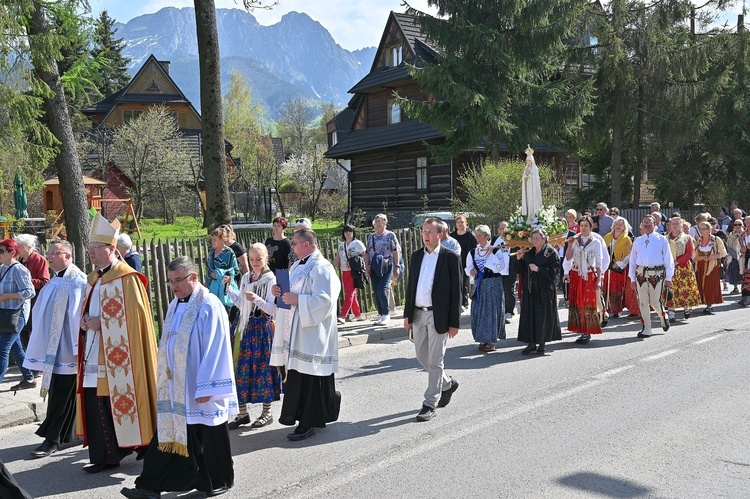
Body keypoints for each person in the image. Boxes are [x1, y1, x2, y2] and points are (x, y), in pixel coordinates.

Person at [121, 256, 237, 499]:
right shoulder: (175, 303)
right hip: (176, 386)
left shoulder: (209, 305)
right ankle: (149, 486)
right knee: (170, 435)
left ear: (193, 277)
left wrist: (207, 387)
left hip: (200, 386)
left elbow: (216, 348)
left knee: (210, 434)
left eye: (178, 280)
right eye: (170, 281)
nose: (174, 286)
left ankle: (220, 480)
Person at [76, 214, 158, 474]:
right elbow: (85, 309)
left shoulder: (127, 278)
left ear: (111, 249)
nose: (91, 253)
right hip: (93, 353)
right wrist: (85, 321)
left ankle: (135, 445)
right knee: (95, 402)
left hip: (121, 357)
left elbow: (135, 321)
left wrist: (104, 324)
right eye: (89, 249)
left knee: (117, 402)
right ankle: (105, 456)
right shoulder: (93, 279)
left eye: (96, 248)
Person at [270, 228, 341, 441]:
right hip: (297, 332)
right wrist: (279, 292)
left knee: (309, 379)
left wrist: (298, 299)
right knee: (299, 377)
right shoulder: (299, 266)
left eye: (294, 243)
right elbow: (291, 291)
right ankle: (303, 417)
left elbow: (326, 301)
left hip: (311, 335)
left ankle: (308, 422)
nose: (291, 247)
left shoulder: (321, 268)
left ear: (306, 245)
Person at [22, 238, 87, 458]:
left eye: (54, 253)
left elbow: (77, 317)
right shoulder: (56, 280)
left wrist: (77, 349)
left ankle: (53, 439)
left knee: (62, 392)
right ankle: (66, 435)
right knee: (60, 392)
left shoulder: (77, 281)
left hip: (68, 349)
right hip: (54, 347)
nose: (48, 256)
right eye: (48, 252)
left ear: (67, 256)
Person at [403, 218, 461, 422]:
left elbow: (457, 291)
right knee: (421, 356)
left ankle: (429, 403)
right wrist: (407, 314)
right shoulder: (416, 256)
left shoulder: (450, 257)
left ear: (440, 234)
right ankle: (447, 384)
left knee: (435, 361)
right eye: (423, 231)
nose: (426, 235)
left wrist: (455, 322)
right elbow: (411, 286)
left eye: (430, 232)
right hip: (418, 313)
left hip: (439, 315)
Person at [226, 243, 280, 430]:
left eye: (258, 258)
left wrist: (256, 299)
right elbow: (242, 304)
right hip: (245, 327)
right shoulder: (247, 277)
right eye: (251, 259)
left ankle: (267, 412)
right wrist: (229, 289)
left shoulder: (270, 279)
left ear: (266, 258)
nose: (255, 262)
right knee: (240, 369)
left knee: (263, 370)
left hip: (261, 328)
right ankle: (242, 414)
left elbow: (272, 309)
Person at [515, 229, 561, 355]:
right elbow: (522, 271)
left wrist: (539, 269)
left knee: (542, 316)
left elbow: (555, 273)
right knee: (530, 316)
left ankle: (542, 344)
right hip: (530, 289)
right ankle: (531, 343)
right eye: (533, 238)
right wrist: (519, 259)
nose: (534, 240)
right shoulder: (530, 253)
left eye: (537, 238)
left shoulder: (551, 253)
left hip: (544, 290)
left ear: (544, 239)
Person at [629, 215, 674, 338]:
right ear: (642, 225)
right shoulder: (638, 240)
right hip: (640, 274)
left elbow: (668, 259)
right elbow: (632, 261)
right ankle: (646, 329)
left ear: (655, 225)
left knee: (654, 302)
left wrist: (669, 277)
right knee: (643, 302)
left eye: (649, 223)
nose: (647, 225)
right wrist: (632, 278)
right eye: (645, 223)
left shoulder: (662, 239)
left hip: (657, 274)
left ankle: (662, 315)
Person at [0, 239, 36, 387]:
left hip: (16, 315)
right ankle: (29, 378)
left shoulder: (18, 269)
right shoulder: (2, 268)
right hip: (5, 314)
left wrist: (7, 296)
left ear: (12, 252)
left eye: (1, 251)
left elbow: (29, 292)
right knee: (15, 347)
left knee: (2, 349)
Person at [564, 216, 604, 344]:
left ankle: (587, 331)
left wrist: (599, 279)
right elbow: (569, 258)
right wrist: (569, 246)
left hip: (588, 275)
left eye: (586, 225)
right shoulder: (575, 240)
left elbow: (599, 262)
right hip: (576, 274)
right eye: (581, 225)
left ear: (591, 227)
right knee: (577, 302)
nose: (583, 228)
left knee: (587, 303)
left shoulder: (596, 242)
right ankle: (581, 329)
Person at [465, 225, 505, 352]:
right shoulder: (473, 252)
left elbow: (500, 267)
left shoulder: (495, 250)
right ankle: (482, 339)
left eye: (480, 236)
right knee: (478, 311)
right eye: (476, 236)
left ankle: (491, 341)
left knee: (491, 312)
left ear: (487, 236)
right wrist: (470, 271)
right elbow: (467, 267)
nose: (477, 238)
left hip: (493, 284)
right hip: (480, 284)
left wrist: (491, 254)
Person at [15, 234, 49, 353]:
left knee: (32, 331)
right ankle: (28, 359)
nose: (16, 248)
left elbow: (44, 282)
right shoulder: (20, 260)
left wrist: (25, 280)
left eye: (19, 246)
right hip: (22, 301)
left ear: (29, 247)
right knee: (22, 330)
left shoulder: (39, 259)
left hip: (35, 301)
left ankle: (35, 361)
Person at [366, 214, 400, 326]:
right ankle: (380, 314)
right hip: (374, 266)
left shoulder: (390, 235)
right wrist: (367, 266)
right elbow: (367, 253)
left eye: (380, 221)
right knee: (376, 291)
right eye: (376, 221)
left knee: (382, 289)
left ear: (385, 222)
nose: (378, 223)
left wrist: (397, 266)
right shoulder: (371, 236)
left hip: (387, 265)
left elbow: (395, 251)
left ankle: (386, 314)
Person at [602, 218, 639, 319]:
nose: (618, 226)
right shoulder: (607, 237)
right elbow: (602, 251)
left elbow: (629, 254)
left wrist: (619, 263)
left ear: (624, 227)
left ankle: (616, 310)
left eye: (621, 225)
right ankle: (607, 309)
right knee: (607, 288)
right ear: (613, 225)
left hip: (619, 268)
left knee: (617, 289)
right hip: (607, 267)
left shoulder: (626, 239)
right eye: (617, 224)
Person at [666, 217, 700, 321]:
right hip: (670, 268)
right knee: (670, 290)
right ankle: (671, 312)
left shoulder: (687, 238)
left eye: (677, 223)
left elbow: (689, 253)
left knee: (685, 289)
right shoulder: (665, 238)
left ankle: (687, 308)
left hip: (683, 267)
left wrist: (677, 261)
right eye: (673, 223)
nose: (675, 225)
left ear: (681, 225)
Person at [332, 224, 367, 324]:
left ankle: (343, 316)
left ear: (353, 232)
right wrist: (331, 267)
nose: (348, 233)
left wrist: (358, 264)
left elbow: (364, 256)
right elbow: (337, 259)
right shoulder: (341, 245)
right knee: (352, 294)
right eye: (346, 231)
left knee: (349, 294)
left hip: (355, 272)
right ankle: (358, 315)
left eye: (350, 231)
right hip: (344, 271)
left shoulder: (358, 244)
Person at [693, 220, 726, 314]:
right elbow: (693, 256)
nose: (701, 231)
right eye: (700, 229)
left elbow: (723, 253)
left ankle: (709, 304)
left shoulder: (716, 240)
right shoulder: (698, 241)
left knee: (710, 285)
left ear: (708, 230)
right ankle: (702, 301)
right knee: (700, 283)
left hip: (712, 266)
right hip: (700, 265)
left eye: (703, 229)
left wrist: (713, 256)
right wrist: (702, 257)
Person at [206, 226, 240, 314]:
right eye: (212, 239)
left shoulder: (229, 253)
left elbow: (235, 270)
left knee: (225, 315)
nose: (212, 241)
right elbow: (208, 268)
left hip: (225, 289)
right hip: (212, 287)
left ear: (222, 240)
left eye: (215, 239)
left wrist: (218, 274)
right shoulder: (212, 252)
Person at [449, 215, 477, 310]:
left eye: (462, 222)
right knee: (456, 281)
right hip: (456, 261)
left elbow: (475, 248)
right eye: (458, 222)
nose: (460, 224)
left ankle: (464, 302)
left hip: (466, 261)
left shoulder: (470, 235)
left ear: (466, 223)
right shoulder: (452, 236)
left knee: (464, 281)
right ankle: (458, 301)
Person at [494, 221, 518, 323]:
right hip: (498, 270)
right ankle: (501, 311)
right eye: (500, 228)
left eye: (504, 228)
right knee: (500, 291)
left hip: (510, 270)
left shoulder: (513, 240)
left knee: (509, 290)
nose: (502, 230)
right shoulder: (495, 239)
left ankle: (509, 311)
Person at [521, 145, 543, 221]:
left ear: (532, 161)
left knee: (533, 201)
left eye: (529, 160)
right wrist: (525, 176)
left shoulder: (535, 168)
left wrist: (529, 175)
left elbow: (536, 178)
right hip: (528, 187)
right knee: (529, 201)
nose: (528, 162)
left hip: (533, 188)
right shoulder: (526, 168)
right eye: (527, 161)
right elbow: (524, 178)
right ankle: (529, 215)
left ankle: (534, 215)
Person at [725, 218, 744, 294]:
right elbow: (728, 245)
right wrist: (734, 255)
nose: (737, 226)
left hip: (743, 256)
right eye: (735, 224)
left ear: (742, 225)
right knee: (734, 272)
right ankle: (735, 288)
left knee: (743, 272)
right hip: (733, 256)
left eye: (739, 224)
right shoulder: (731, 235)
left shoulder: (744, 234)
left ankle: (744, 288)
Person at [739, 216, 750, 307]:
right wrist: (742, 249)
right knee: (745, 278)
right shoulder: (742, 235)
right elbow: (739, 247)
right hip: (746, 258)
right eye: (746, 222)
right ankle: (745, 299)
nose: (748, 224)